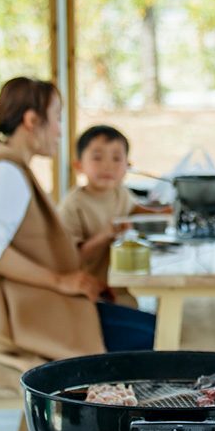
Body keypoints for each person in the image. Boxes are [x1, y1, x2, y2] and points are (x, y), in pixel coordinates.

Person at [0, 78, 154, 370]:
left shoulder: (9, 167)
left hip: (28, 307)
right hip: (16, 318)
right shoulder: (6, 173)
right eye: (57, 119)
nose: (60, 131)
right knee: (158, 338)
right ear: (31, 120)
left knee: (149, 330)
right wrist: (62, 281)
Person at [57, 125, 170, 310]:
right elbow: (72, 258)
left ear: (128, 167)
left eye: (116, 158)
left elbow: (137, 210)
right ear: (78, 165)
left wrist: (166, 211)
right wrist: (105, 235)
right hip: (89, 297)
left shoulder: (121, 193)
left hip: (121, 291)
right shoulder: (73, 205)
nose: (107, 165)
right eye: (97, 157)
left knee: (158, 320)